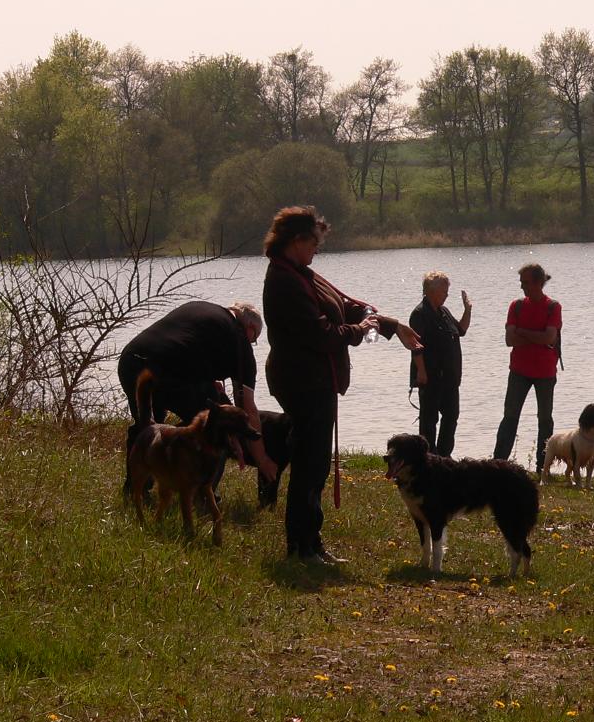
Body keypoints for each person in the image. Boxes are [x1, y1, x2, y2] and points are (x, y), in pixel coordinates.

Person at [262, 206, 423, 565]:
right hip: (302, 383)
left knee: (315, 463)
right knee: (308, 464)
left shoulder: (303, 274)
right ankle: (301, 547)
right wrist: (359, 331)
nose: (318, 249)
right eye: (315, 242)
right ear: (298, 240)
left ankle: (311, 542)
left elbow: (346, 305)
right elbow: (320, 333)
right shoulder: (284, 280)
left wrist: (387, 323)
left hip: (317, 382)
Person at [117, 300, 277, 492]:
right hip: (166, 372)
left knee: (147, 426)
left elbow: (185, 346)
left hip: (130, 363)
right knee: (217, 429)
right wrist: (262, 460)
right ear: (250, 327)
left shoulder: (200, 309)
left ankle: (136, 491)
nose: (251, 343)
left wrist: (206, 380)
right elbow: (247, 408)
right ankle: (202, 497)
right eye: (254, 338)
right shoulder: (238, 338)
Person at [493, 263, 561, 472]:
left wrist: (523, 332)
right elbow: (509, 340)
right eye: (521, 283)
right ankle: (498, 464)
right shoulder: (516, 305)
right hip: (519, 371)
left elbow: (550, 337)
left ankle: (543, 467)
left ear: (539, 283)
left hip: (545, 372)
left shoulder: (553, 307)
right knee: (510, 417)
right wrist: (537, 338)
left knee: (545, 419)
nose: (522, 287)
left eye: (526, 283)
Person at [408, 271, 470, 457]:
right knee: (429, 420)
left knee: (451, 417)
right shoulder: (420, 314)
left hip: (450, 378)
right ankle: (427, 456)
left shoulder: (444, 312)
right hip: (431, 377)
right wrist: (421, 371)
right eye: (444, 291)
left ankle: (444, 455)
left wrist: (468, 309)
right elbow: (415, 345)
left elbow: (461, 330)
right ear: (431, 291)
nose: (447, 294)